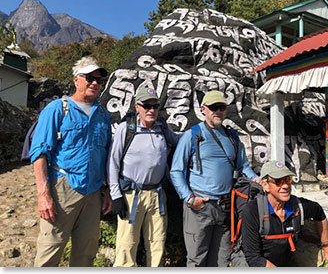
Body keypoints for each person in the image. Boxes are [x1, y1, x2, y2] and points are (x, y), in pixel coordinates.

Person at [29, 56, 112, 267]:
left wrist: (108, 191)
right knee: (50, 251)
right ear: (76, 79)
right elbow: (39, 153)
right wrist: (43, 195)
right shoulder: (57, 109)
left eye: (99, 80)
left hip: (93, 192)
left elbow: (106, 153)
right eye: (89, 78)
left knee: (86, 254)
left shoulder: (103, 114)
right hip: (62, 189)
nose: (95, 83)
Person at [170, 90, 260, 267]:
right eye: (213, 107)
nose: (218, 111)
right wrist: (189, 198)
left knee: (221, 260)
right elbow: (176, 171)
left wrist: (256, 179)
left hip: (225, 207)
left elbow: (243, 166)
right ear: (203, 109)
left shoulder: (232, 137)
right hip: (200, 207)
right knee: (196, 259)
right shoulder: (192, 135)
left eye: (222, 107)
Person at [107, 86, 178, 267]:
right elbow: (113, 163)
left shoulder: (162, 127)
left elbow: (178, 141)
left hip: (157, 194)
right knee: (126, 245)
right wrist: (115, 195)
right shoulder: (126, 128)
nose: (151, 110)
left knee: (157, 245)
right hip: (131, 195)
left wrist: (198, 133)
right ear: (137, 106)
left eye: (155, 106)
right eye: (146, 106)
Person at [241, 160, 328, 267]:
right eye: (278, 181)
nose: (285, 186)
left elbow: (318, 212)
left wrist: (327, 246)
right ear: (265, 185)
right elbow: (253, 258)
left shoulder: (298, 206)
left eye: (287, 180)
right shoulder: (253, 211)